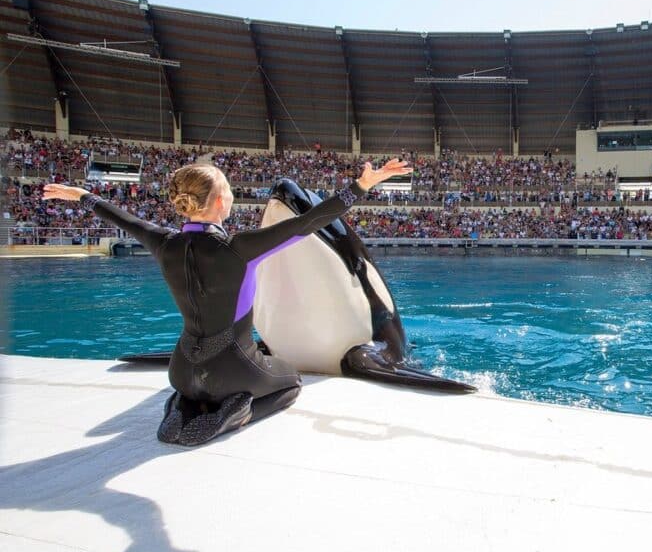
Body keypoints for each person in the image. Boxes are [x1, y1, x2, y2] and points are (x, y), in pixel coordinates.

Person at [43, 159, 411, 446]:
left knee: (203, 378)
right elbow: (310, 222)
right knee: (290, 381)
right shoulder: (240, 248)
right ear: (221, 202)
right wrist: (363, 184)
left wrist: (80, 195)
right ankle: (238, 413)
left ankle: (183, 406)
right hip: (233, 371)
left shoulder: (163, 242)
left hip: (181, 369)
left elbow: (121, 218)